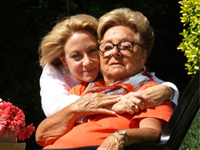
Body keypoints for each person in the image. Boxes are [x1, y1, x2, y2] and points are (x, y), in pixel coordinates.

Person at [36, 8, 174, 150]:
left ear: (143, 55)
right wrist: (78, 107)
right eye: (107, 47)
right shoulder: (83, 89)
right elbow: (42, 136)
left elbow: (153, 132)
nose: (114, 52)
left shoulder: (149, 90)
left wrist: (120, 137)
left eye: (126, 46)